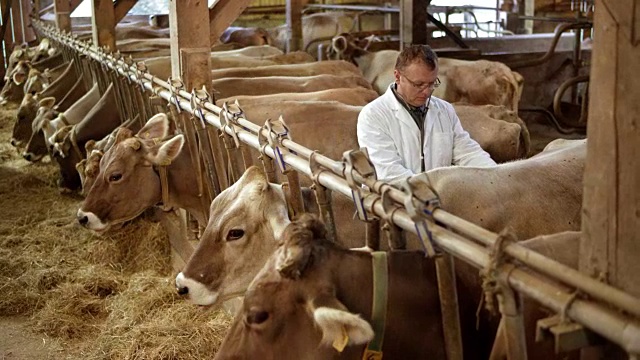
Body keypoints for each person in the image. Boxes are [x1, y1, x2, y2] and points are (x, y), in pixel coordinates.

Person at [357, 44, 496, 183]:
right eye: (418, 85)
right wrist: (432, 194)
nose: (426, 92)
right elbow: (388, 172)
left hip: (438, 198)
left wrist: (497, 176)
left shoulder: (445, 110)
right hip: (395, 200)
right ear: (398, 77)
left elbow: (468, 153)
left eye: (432, 84)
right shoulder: (373, 115)